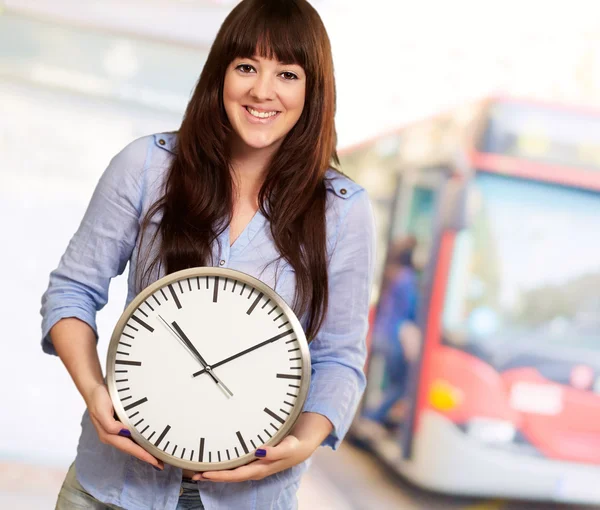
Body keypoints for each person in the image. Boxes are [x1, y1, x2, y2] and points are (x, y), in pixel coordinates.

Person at [39, 0, 375, 509]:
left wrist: (301, 443)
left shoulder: (343, 211)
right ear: (220, 74)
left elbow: (339, 356)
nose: (263, 90)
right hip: (113, 488)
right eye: (246, 67)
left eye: (287, 73)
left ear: (312, 90)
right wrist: (95, 392)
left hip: (252, 497)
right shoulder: (146, 167)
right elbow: (72, 291)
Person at [365, 236, 420, 427]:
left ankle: (371, 414)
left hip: (380, 334)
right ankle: (372, 417)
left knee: (390, 382)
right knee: (400, 385)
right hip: (394, 339)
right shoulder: (408, 278)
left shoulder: (393, 274)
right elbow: (412, 311)